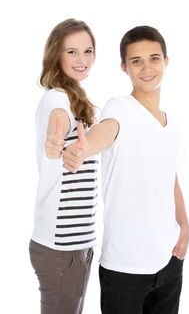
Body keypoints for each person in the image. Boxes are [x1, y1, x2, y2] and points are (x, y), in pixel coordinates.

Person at [47, 25, 189, 314]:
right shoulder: (120, 108)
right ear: (124, 67)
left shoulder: (172, 124)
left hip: (170, 262)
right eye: (136, 61)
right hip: (125, 270)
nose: (147, 68)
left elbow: (169, 177)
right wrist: (82, 150)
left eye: (154, 58)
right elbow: (105, 132)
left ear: (166, 61)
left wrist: (184, 225)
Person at [29, 18, 98, 314]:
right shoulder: (58, 99)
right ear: (56, 54)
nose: (82, 60)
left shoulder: (76, 97)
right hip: (61, 248)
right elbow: (58, 118)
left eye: (88, 51)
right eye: (72, 52)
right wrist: (54, 139)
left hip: (76, 244)